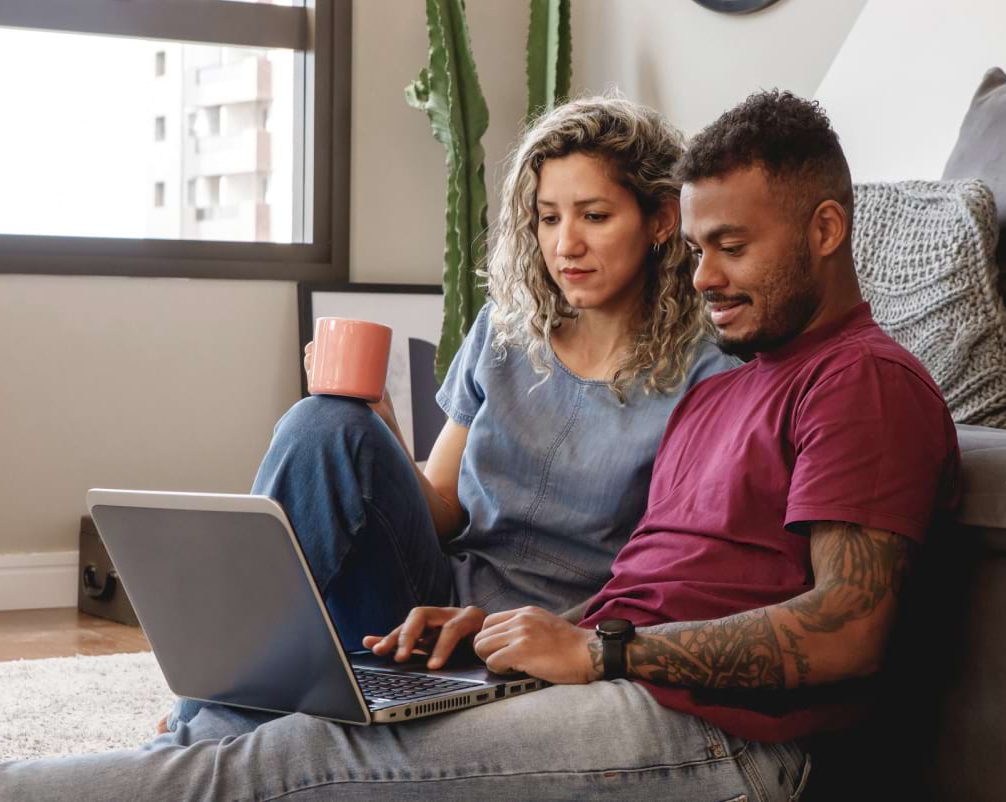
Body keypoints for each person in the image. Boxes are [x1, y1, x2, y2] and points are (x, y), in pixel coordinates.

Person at [0, 90, 959, 802]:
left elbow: (849, 627)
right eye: (699, 251)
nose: (702, 277)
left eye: (728, 248)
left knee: (286, 767)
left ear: (827, 230)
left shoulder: (855, 380)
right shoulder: (742, 382)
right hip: (594, 666)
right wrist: (497, 647)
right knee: (306, 730)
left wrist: (600, 644)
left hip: (709, 734)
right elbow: (652, 576)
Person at [166, 94, 736, 730]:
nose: (565, 244)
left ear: (660, 219)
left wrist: (555, 637)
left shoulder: (707, 378)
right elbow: (441, 506)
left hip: (547, 641)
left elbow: (670, 581)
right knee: (321, 422)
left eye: (595, 216)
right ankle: (210, 694)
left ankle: (206, 730)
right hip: (432, 608)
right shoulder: (504, 331)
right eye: (547, 219)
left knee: (232, 738)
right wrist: (375, 421)